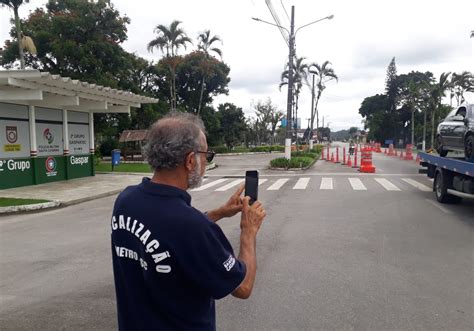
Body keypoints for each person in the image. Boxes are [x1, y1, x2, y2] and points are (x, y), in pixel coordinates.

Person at [110, 112, 266, 330]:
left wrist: (219, 212)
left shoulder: (126, 200)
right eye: (206, 155)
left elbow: (165, 232)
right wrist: (248, 231)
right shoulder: (190, 226)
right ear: (190, 160)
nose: (205, 162)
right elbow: (242, 286)